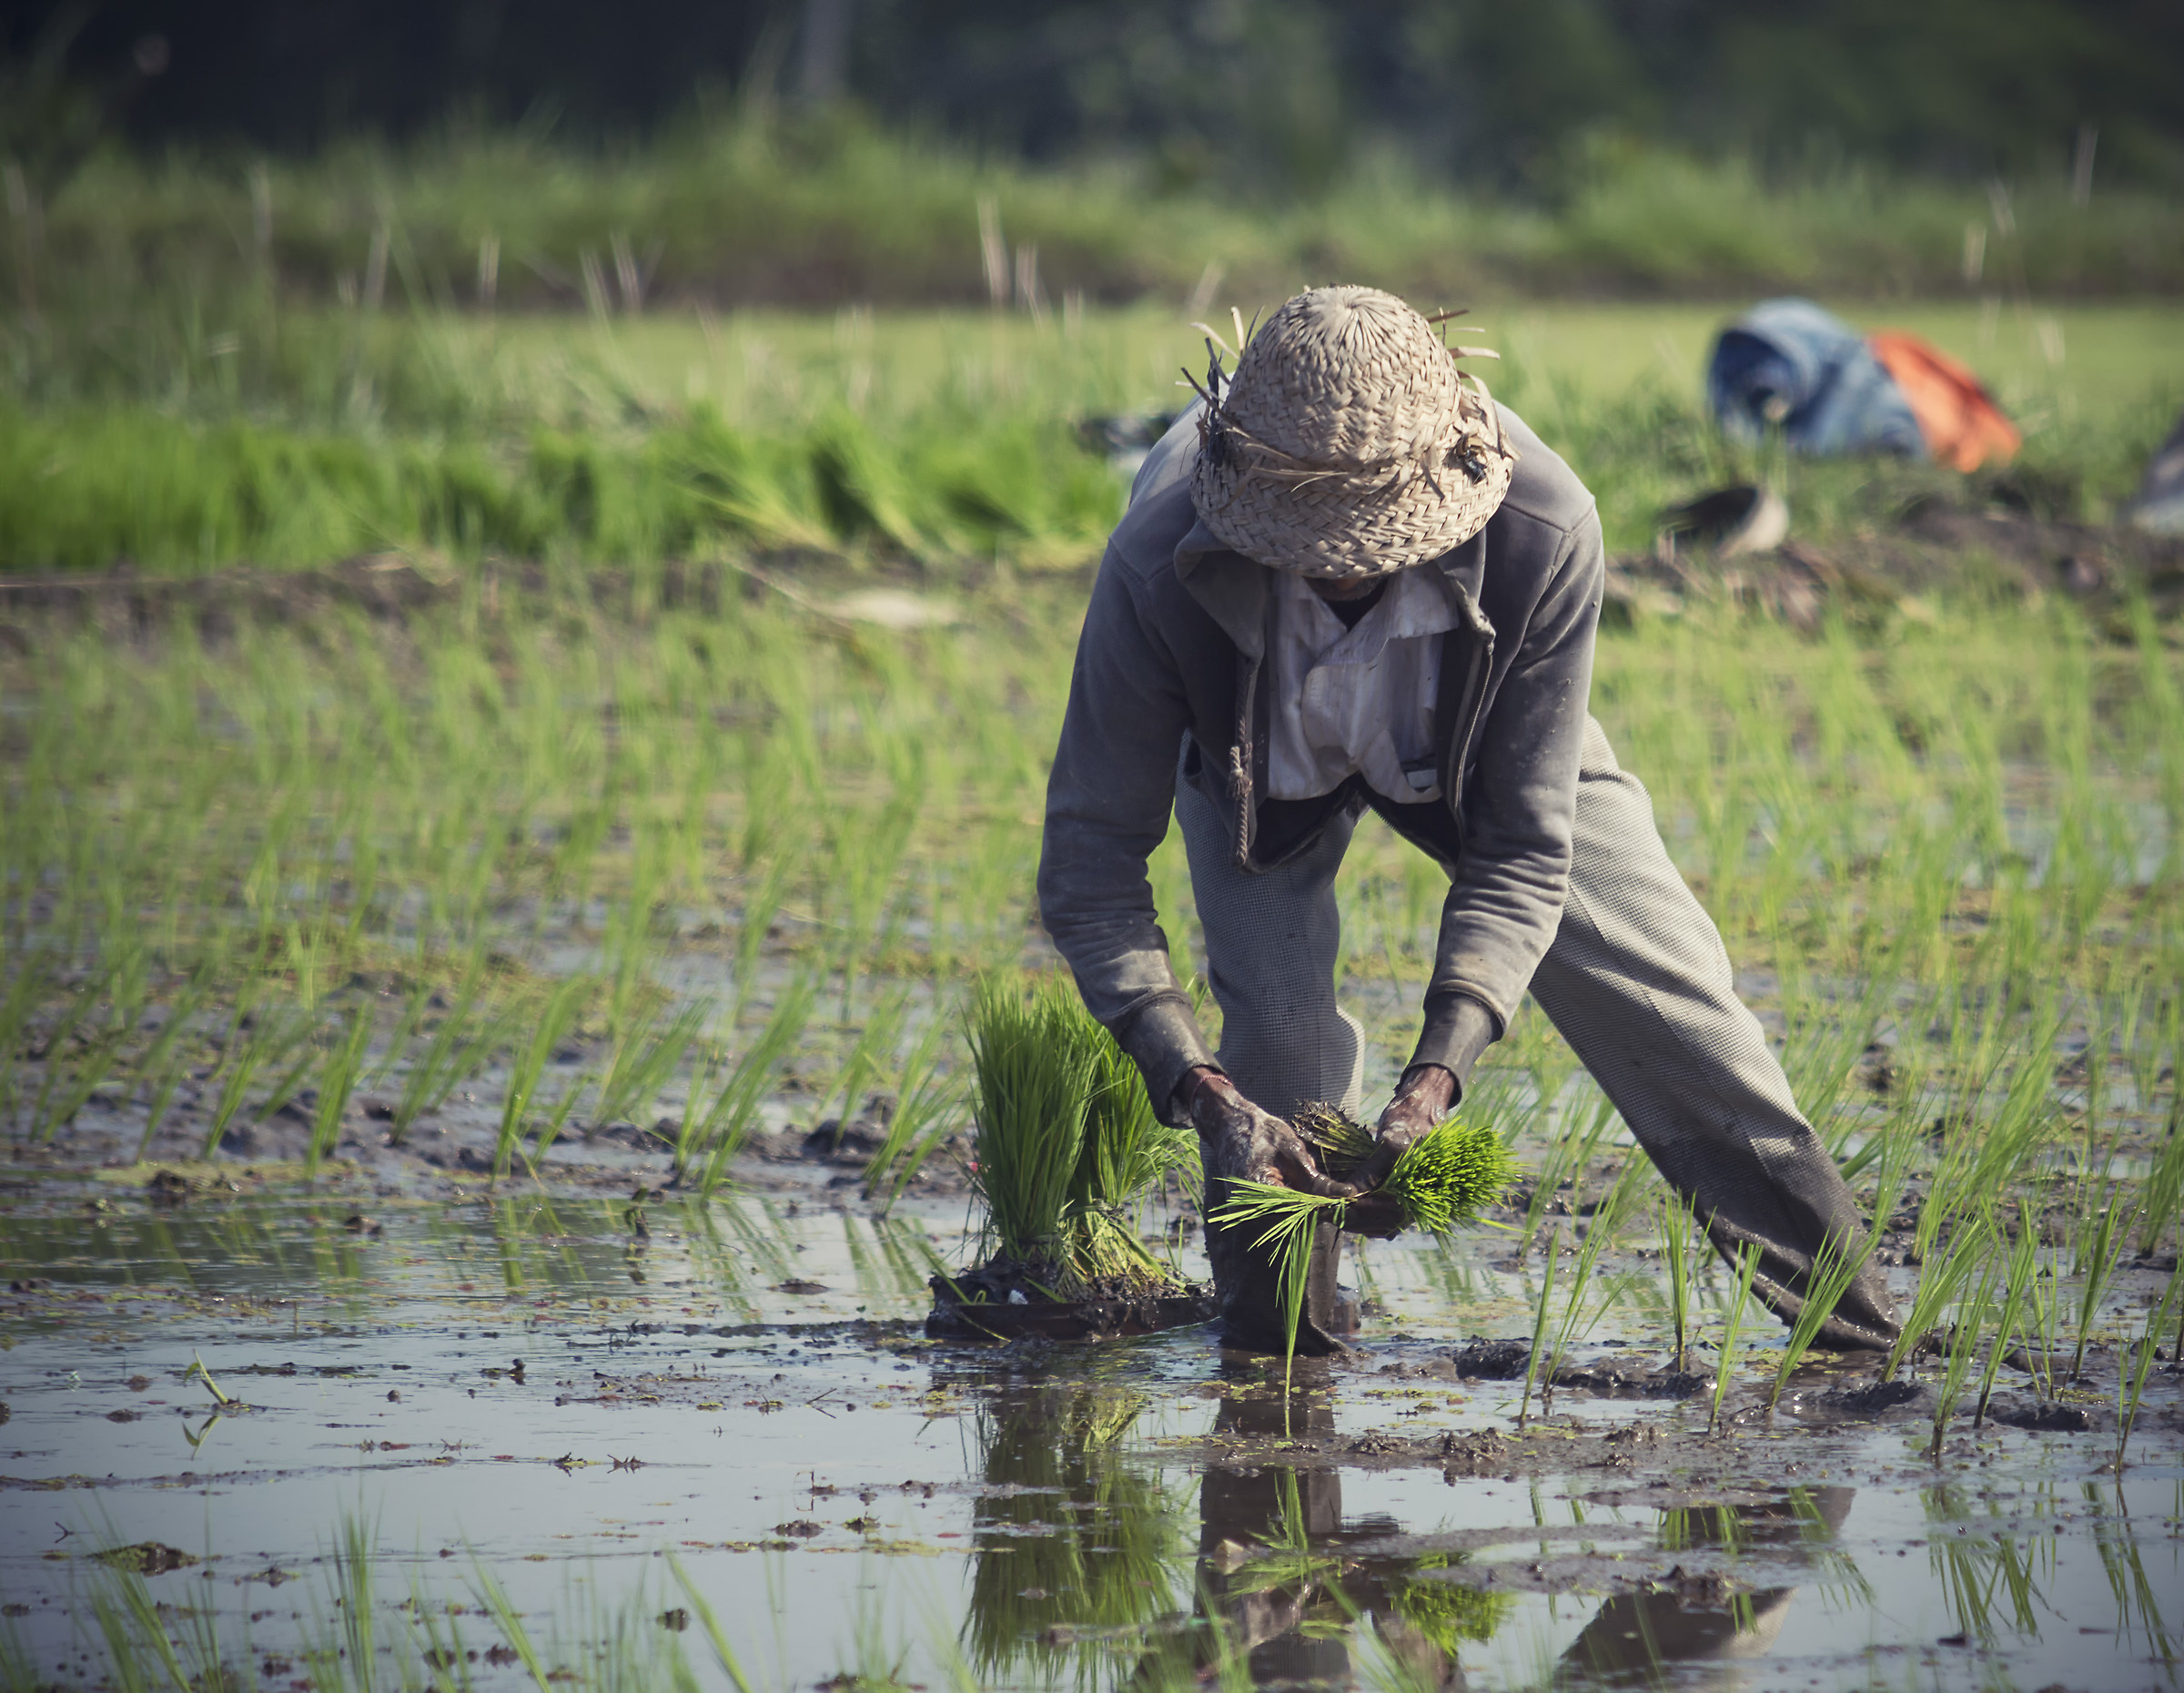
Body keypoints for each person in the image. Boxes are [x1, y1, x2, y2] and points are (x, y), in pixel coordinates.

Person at [1036, 285, 1897, 1356]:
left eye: (1368, 542)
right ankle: (1279, 1364)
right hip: (1250, 758)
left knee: (1675, 1000)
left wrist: (1437, 1074)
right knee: (1278, 1054)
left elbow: (1526, 849)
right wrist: (1198, 1088)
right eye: (1310, 543)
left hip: (1474, 732)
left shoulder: (1538, 527)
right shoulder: (1165, 555)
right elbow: (1088, 862)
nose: (1342, 566)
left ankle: (1855, 1335)